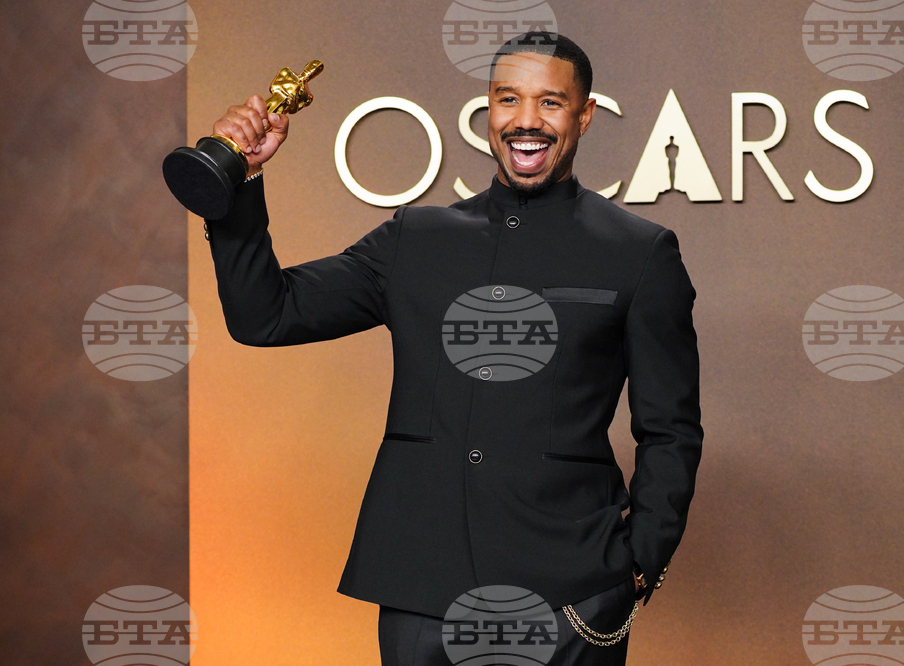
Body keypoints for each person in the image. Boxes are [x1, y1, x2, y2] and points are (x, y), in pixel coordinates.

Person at [204, 32, 702, 665]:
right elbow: (265, 315)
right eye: (507, 100)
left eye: (551, 103)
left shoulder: (639, 252)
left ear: (585, 114)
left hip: (569, 596)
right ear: (486, 111)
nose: (526, 121)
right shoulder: (415, 238)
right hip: (420, 592)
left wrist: (635, 567)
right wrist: (240, 184)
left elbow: (671, 431)